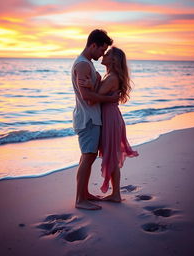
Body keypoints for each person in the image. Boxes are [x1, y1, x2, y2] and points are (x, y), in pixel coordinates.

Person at [80, 46, 139, 203]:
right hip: (109, 116)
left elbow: (94, 98)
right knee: (110, 154)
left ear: (112, 60)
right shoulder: (109, 76)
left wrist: (91, 87)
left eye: (106, 54)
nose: (102, 56)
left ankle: (116, 194)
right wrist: (95, 83)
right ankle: (115, 194)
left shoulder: (112, 78)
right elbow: (98, 94)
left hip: (110, 118)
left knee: (111, 154)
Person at [72, 29, 119, 210]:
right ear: (93, 45)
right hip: (88, 119)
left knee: (88, 157)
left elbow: (91, 91)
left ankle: (84, 194)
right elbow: (86, 96)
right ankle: (79, 200)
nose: (101, 55)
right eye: (101, 50)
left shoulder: (87, 64)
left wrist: (96, 82)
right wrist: (111, 99)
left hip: (90, 117)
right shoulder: (83, 65)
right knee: (88, 156)